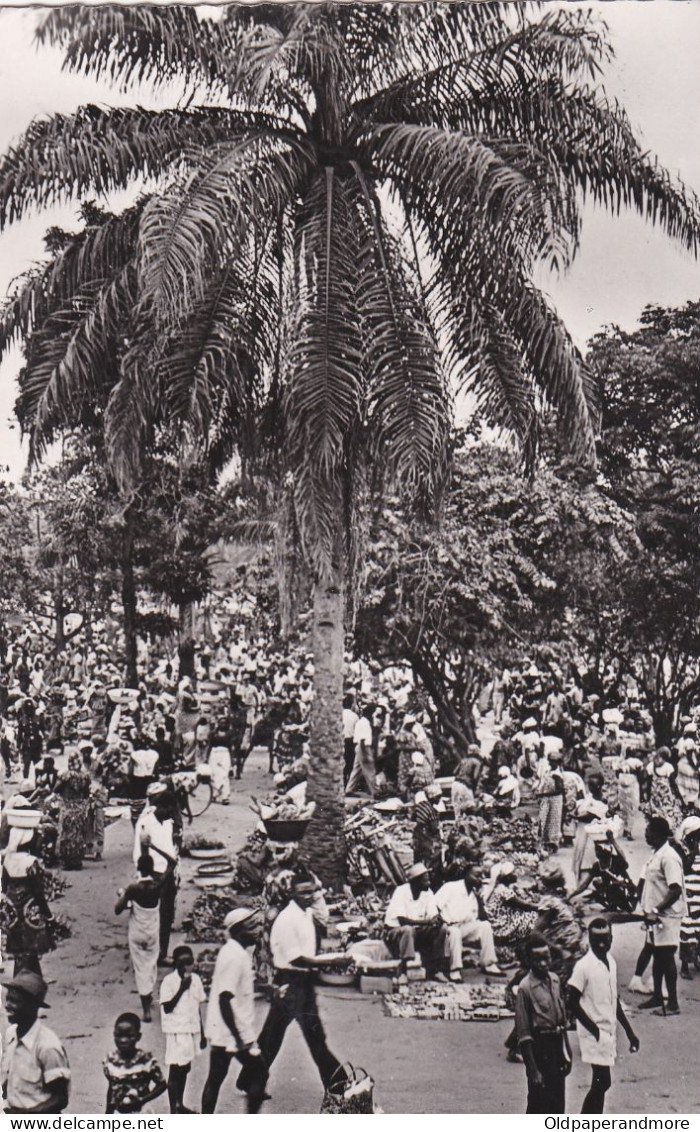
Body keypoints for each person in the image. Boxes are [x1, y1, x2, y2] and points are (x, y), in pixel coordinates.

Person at [257, 873, 345, 1092]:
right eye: (303, 892)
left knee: (273, 1035)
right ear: (291, 894)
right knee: (313, 1035)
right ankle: (338, 1083)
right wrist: (330, 961)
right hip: (291, 980)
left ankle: (251, 1079)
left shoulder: (305, 914)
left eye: (312, 891)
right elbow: (295, 958)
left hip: (302, 980)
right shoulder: (287, 920)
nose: (309, 896)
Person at [567, 918, 640, 1113]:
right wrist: (594, 1030)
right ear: (589, 940)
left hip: (607, 1031)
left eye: (605, 939)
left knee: (601, 1084)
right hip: (594, 1033)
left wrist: (630, 1032)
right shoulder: (584, 967)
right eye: (596, 939)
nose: (601, 944)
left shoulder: (611, 963)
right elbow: (571, 1001)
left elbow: (614, 1000)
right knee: (602, 1082)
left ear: (611, 939)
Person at [201, 908, 267, 1113]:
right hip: (232, 1030)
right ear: (237, 931)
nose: (258, 930)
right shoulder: (234, 957)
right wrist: (238, 1038)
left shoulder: (236, 951)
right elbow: (224, 998)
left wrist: (267, 988)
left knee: (215, 1079)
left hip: (226, 1030)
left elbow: (236, 989)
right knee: (260, 1073)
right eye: (252, 927)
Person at [514, 933, 571, 1114]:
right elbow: (524, 1035)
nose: (544, 964)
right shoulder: (525, 988)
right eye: (538, 960)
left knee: (557, 1103)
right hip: (540, 1049)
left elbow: (561, 1022)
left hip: (556, 1047)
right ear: (529, 961)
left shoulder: (555, 980)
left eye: (546, 958)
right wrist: (533, 1070)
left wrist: (567, 1053)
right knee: (539, 1104)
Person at [1, 970, 70, 1114]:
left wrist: (27, 1116)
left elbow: (60, 1098)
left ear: (33, 1006)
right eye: (8, 999)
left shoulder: (48, 1046)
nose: (7, 1005)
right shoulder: (10, 1035)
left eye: (15, 1001)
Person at [638, 816, 687, 1015]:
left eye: (649, 830)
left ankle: (673, 1003)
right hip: (655, 916)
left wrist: (657, 909)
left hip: (667, 916)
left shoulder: (669, 857)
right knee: (658, 955)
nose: (646, 833)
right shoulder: (657, 853)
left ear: (658, 835)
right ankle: (658, 995)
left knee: (666, 957)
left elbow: (675, 890)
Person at [115, 852, 169, 1022]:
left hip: (137, 933)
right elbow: (172, 863)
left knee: (140, 969)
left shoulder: (133, 889)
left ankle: (146, 1009)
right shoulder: (158, 886)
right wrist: (153, 846)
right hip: (152, 933)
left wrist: (122, 895)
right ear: (152, 869)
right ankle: (149, 997)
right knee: (150, 965)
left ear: (138, 869)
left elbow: (118, 909)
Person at [0, 818, 54, 976]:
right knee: (31, 949)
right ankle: (31, 983)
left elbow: (4, 886)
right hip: (29, 911)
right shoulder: (31, 862)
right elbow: (38, 891)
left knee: (19, 950)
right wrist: (48, 914)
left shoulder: (7, 860)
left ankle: (24, 981)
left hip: (13, 913)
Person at [133, 783, 179, 963]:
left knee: (166, 915)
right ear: (161, 807)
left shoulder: (167, 823)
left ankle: (162, 953)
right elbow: (141, 853)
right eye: (169, 810)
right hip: (154, 875)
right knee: (150, 917)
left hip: (168, 873)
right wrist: (150, 876)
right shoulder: (145, 824)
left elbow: (169, 847)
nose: (171, 814)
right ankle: (148, 951)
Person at [384, 862, 452, 982]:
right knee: (408, 930)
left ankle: (435, 970)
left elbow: (433, 914)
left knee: (442, 929)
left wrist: (437, 919)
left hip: (418, 932)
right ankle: (403, 971)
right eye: (425, 881)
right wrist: (427, 922)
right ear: (415, 881)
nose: (428, 883)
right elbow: (402, 921)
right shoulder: (401, 892)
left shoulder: (427, 892)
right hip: (396, 933)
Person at [159, 945, 207, 1114]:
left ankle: (180, 1103)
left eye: (190, 962)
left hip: (191, 1029)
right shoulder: (169, 982)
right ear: (176, 965)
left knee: (185, 1067)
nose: (188, 966)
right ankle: (174, 1110)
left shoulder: (196, 980)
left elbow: (197, 1008)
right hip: (176, 1031)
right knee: (175, 1070)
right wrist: (182, 988)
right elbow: (167, 1007)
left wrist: (201, 1033)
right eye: (183, 963)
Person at [436, 864, 504, 978]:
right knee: (455, 932)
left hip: (463, 927)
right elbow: (435, 906)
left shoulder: (474, 895)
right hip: (447, 927)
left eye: (481, 876)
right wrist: (441, 923)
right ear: (466, 875)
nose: (480, 878)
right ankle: (455, 970)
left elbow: (482, 918)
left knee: (485, 926)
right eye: (476, 875)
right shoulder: (450, 887)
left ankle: (488, 964)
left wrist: (479, 900)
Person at [103, 1013, 167, 1114]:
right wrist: (108, 1112)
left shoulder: (145, 1060)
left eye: (129, 1036)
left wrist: (142, 1100)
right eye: (119, 1035)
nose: (123, 1040)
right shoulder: (111, 1060)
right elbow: (112, 1086)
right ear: (114, 1035)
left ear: (138, 1037)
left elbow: (162, 1084)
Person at [55, 751, 91, 869]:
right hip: (80, 808)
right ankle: (76, 860)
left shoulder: (65, 775)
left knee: (66, 834)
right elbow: (86, 793)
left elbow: (56, 789)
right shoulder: (85, 776)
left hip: (68, 807)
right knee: (78, 834)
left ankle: (67, 861)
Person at [412, 786, 444, 881]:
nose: (439, 799)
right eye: (438, 797)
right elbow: (434, 829)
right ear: (432, 797)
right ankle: (431, 878)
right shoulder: (432, 811)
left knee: (418, 858)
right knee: (432, 858)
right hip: (427, 837)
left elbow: (414, 818)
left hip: (418, 835)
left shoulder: (420, 806)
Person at [536, 751, 565, 852]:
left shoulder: (557, 775)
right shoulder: (549, 771)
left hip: (555, 800)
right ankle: (546, 842)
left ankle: (553, 844)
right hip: (548, 799)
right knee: (545, 820)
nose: (552, 763)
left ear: (558, 763)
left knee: (553, 821)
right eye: (551, 761)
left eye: (554, 762)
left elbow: (559, 790)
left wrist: (543, 794)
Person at [346, 703, 376, 798]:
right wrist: (366, 753)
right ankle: (375, 792)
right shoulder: (365, 723)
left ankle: (349, 789)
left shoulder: (361, 721)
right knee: (369, 769)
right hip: (363, 747)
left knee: (357, 769)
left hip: (359, 747)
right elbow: (363, 739)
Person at [342, 694, 359, 785]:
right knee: (350, 763)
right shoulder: (354, 716)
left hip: (341, 740)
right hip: (350, 741)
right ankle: (348, 783)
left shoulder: (340, 714)